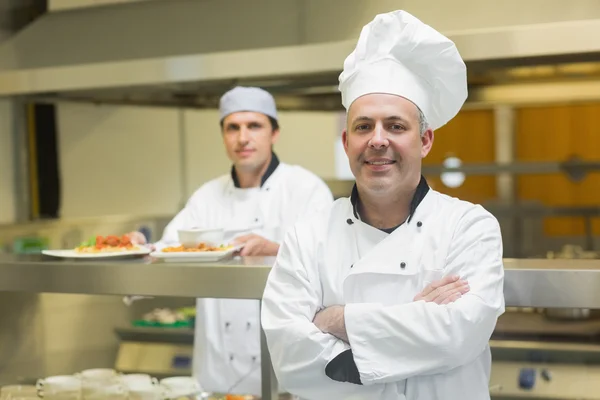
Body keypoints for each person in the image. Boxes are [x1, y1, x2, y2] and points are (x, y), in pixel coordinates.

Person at [261, 10, 505, 400]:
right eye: (363, 126)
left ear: (425, 141)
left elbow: (458, 335)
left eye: (395, 126)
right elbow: (289, 354)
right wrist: (416, 317)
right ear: (346, 143)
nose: (377, 140)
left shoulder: (470, 226)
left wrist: (335, 320)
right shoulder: (308, 234)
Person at [131, 86, 334, 396]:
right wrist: (138, 251)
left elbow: (330, 268)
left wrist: (279, 250)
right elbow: (166, 253)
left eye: (254, 126)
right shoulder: (206, 197)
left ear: (274, 133)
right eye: (233, 128)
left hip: (284, 373)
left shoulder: (306, 190)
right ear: (223, 135)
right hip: (218, 374)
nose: (243, 138)